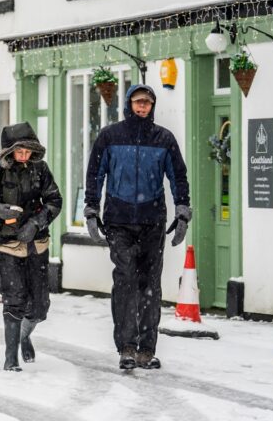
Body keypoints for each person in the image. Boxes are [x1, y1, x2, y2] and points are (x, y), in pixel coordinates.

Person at [84, 84, 191, 370]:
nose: (142, 107)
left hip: (152, 221)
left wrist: (182, 211)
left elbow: (178, 176)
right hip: (118, 221)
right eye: (138, 102)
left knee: (149, 286)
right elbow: (95, 175)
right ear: (129, 104)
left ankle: (147, 349)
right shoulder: (110, 136)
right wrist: (91, 210)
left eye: (147, 102)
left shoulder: (163, 139)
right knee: (126, 280)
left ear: (152, 106)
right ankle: (127, 347)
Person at [0, 122, 62, 372]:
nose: (24, 156)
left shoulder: (40, 169)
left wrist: (37, 222)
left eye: (28, 151)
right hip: (6, 245)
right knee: (15, 298)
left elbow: (54, 200)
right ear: (9, 151)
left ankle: (23, 335)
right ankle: (11, 358)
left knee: (40, 306)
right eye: (19, 151)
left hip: (37, 244)